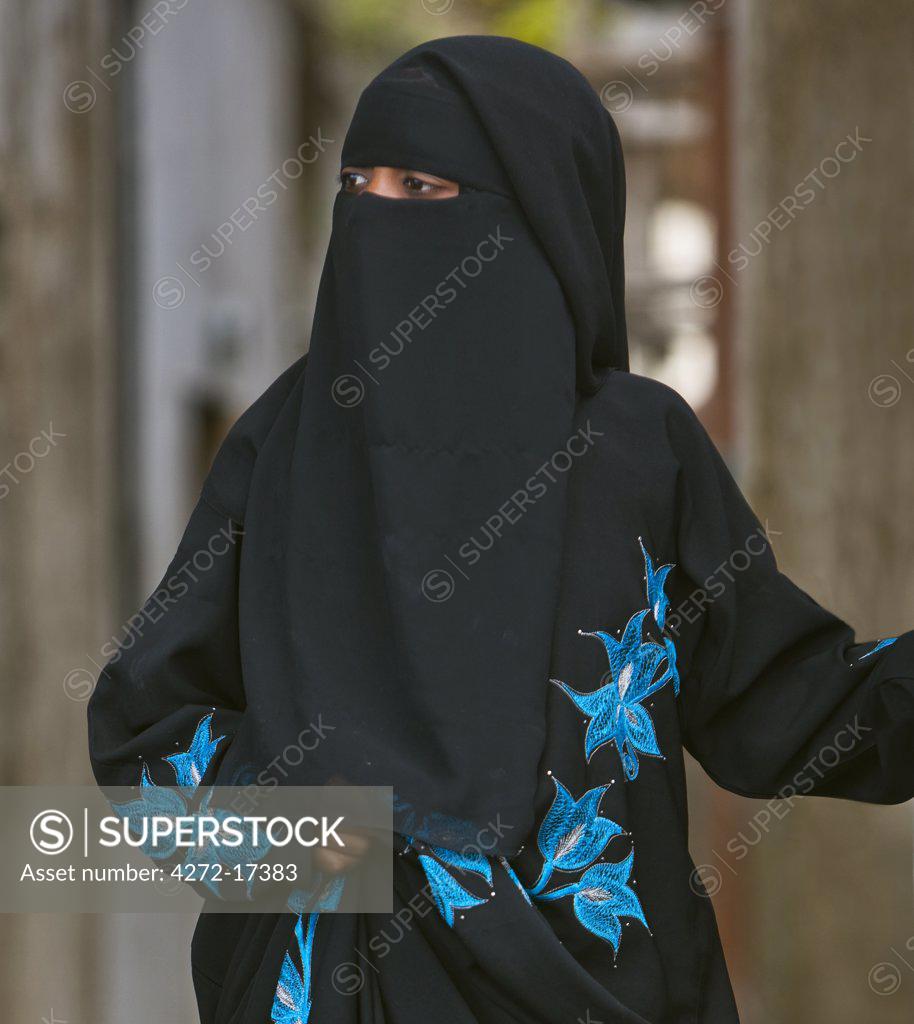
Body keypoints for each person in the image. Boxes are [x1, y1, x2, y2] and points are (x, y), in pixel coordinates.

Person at [87, 35, 914, 1024]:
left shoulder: (635, 450)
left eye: (422, 186)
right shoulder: (288, 441)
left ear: (537, 221)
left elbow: (781, 704)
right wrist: (353, 847)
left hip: (601, 990)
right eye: (359, 183)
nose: (376, 213)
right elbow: (147, 736)